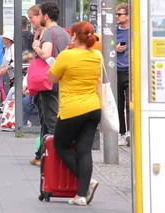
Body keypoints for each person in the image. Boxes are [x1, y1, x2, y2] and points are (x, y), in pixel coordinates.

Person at [47, 21, 101, 206]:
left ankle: (87, 185)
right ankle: (81, 195)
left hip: (72, 109)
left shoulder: (66, 55)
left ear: (75, 36)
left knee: (61, 146)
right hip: (93, 108)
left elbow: (51, 78)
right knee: (84, 150)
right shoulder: (97, 55)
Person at [28, 2, 71, 166]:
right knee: (46, 118)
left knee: (51, 119)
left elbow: (45, 54)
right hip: (60, 78)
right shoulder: (64, 33)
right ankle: (41, 155)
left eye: (39, 15)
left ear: (45, 16)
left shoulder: (48, 33)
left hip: (49, 80)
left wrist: (36, 47)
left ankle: (57, 157)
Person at [115, 3, 130, 146]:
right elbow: (107, 49)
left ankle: (130, 132)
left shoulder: (134, 31)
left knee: (129, 103)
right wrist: (115, 48)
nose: (117, 17)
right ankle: (122, 132)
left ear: (128, 16)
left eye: (120, 14)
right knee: (119, 103)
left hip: (131, 70)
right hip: (117, 71)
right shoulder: (114, 31)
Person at [0, 31, 15, 112]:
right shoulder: (7, 49)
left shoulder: (13, 48)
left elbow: (14, 61)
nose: (2, 40)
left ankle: (6, 106)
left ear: (8, 40)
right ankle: (7, 106)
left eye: (3, 39)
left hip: (15, 74)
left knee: (13, 91)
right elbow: (5, 61)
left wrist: (6, 69)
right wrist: (0, 68)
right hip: (11, 75)